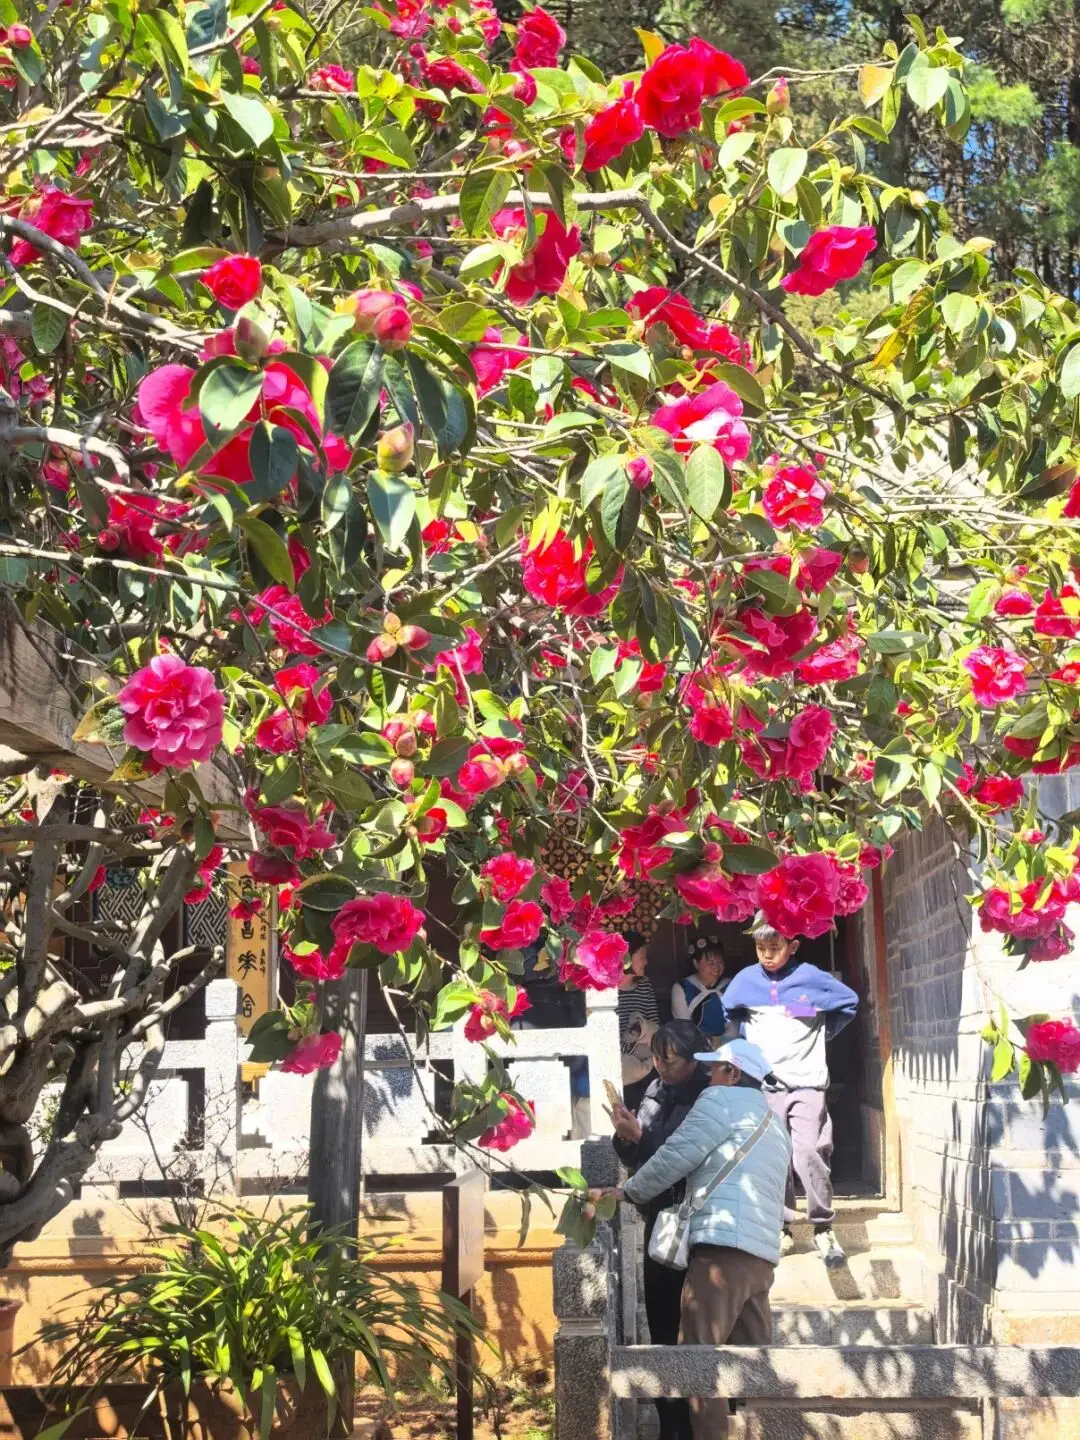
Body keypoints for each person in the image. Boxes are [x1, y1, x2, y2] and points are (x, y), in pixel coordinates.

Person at [600, 1039, 790, 1440]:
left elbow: (676, 1156)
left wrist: (629, 1191)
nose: (708, 1076)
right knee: (756, 1363)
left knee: (698, 1360)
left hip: (721, 1251)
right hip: (761, 1257)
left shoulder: (721, 1101)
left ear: (734, 1074)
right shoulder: (774, 1123)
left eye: (716, 1069)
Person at [720, 921, 859, 1265]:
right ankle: (780, 1228)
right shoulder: (745, 981)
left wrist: (810, 1020)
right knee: (772, 1158)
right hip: (764, 1086)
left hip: (807, 1082)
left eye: (775, 949)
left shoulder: (812, 978)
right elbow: (730, 1012)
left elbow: (848, 1003)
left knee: (809, 1152)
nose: (767, 956)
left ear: (793, 946)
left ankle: (823, 1228)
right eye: (760, 949)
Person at [609, 1020, 709, 1440]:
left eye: (671, 1062)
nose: (662, 1069)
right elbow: (643, 1157)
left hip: (698, 1227)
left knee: (699, 1332)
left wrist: (642, 1141)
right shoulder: (655, 1090)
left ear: (695, 1059)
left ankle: (702, 1422)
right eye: (657, 1059)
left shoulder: (709, 1099)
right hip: (659, 1224)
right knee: (662, 1327)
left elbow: (680, 1161)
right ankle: (672, 1426)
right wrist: (627, 1137)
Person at [617, 929, 661, 1110]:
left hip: (643, 1054)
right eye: (642, 956)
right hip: (617, 1056)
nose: (646, 961)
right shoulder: (604, 989)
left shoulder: (644, 986)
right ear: (626, 958)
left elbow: (655, 1025)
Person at [671, 939, 729, 1041]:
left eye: (720, 962)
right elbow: (685, 1030)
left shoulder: (730, 985)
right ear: (696, 963)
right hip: (697, 1047)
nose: (716, 967)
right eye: (710, 963)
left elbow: (736, 1022)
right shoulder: (682, 988)